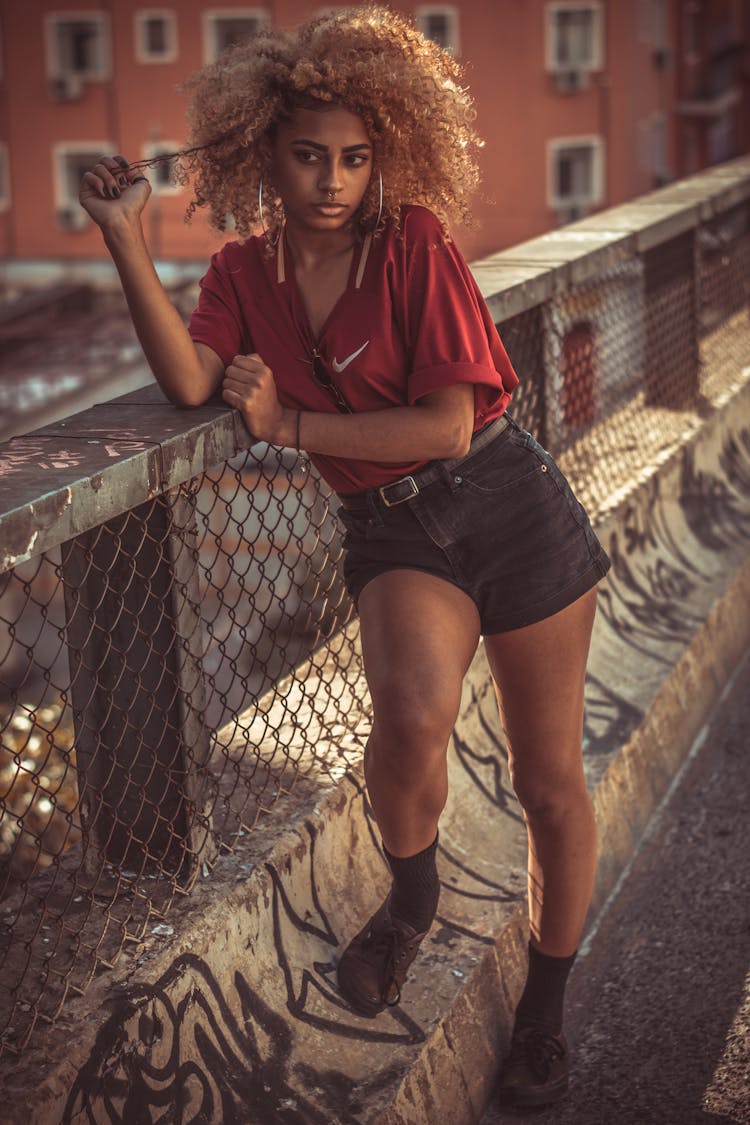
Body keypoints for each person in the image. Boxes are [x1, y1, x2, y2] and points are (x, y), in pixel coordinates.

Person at [79, 5, 610, 1109]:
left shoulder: (414, 244)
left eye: (355, 158)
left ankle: (546, 1011)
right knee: (409, 715)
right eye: (310, 155)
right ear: (261, 153)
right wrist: (127, 237)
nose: (333, 179)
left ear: (386, 158)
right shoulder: (241, 272)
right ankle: (410, 907)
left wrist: (287, 429)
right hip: (393, 531)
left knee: (549, 780)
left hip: (508, 505)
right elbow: (189, 383)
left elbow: (446, 427)